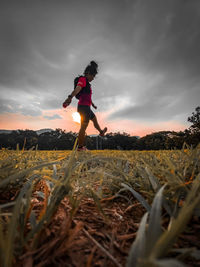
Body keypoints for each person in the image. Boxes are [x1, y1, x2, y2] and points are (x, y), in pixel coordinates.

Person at [63, 61, 107, 151]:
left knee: (95, 120)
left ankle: (101, 132)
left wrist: (93, 104)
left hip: (87, 107)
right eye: (93, 76)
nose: (93, 78)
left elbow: (88, 96)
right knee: (83, 127)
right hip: (83, 108)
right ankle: (80, 147)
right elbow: (78, 88)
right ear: (88, 74)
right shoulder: (82, 79)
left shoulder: (88, 84)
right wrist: (70, 97)